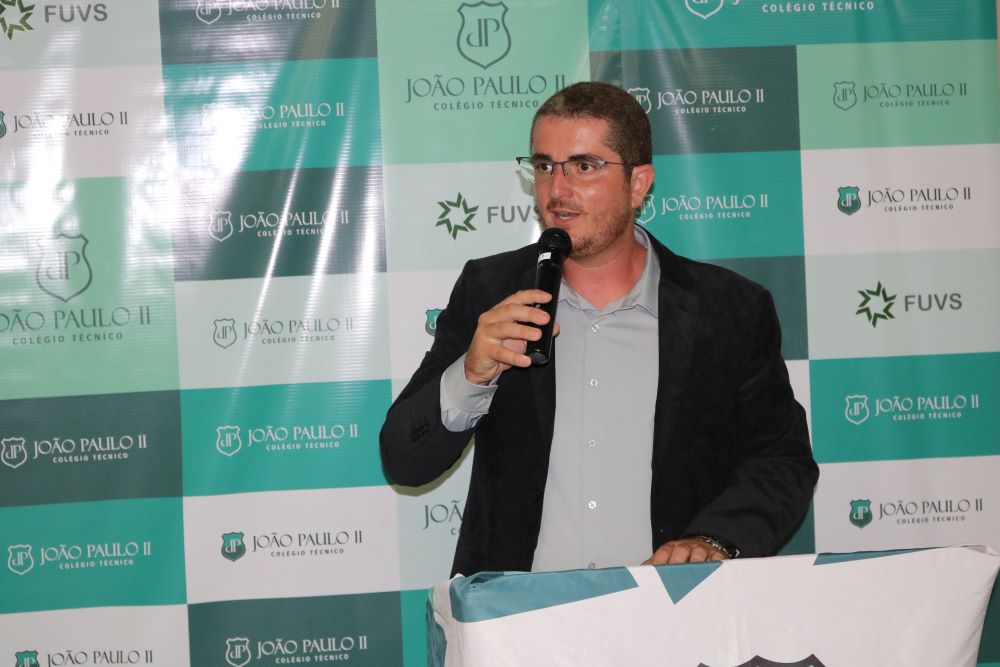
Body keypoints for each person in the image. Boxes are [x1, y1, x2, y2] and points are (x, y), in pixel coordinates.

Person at [380, 81, 818, 576]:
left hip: (672, 610)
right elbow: (405, 461)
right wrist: (471, 374)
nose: (557, 190)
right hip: (521, 613)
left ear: (638, 183)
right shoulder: (490, 291)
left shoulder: (729, 309)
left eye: (584, 166)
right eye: (544, 166)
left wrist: (712, 540)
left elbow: (781, 462)